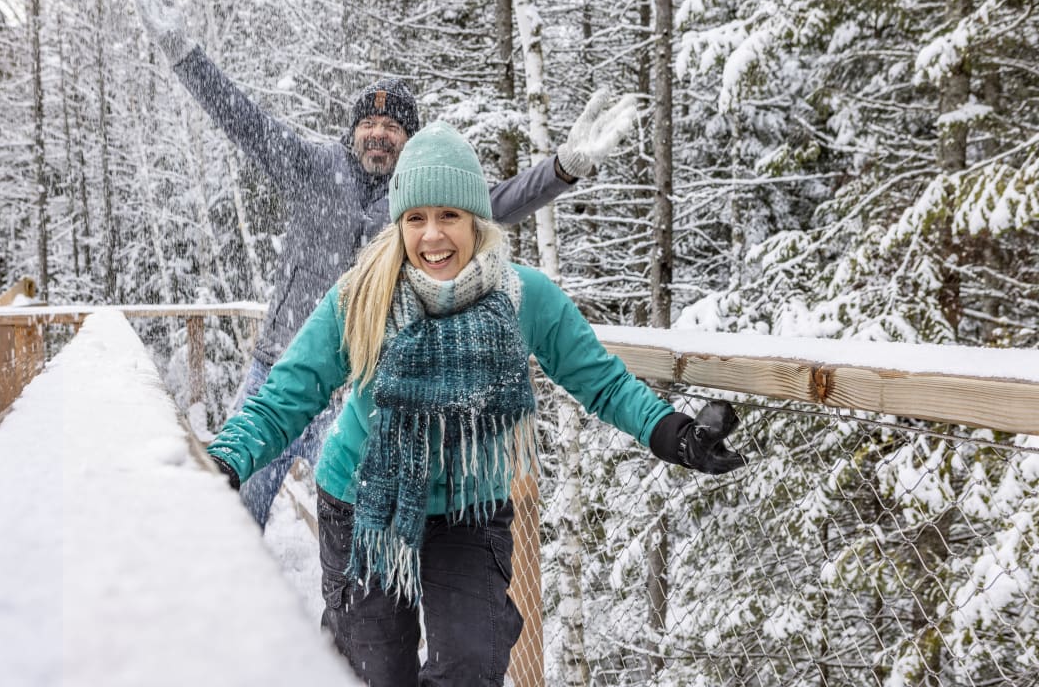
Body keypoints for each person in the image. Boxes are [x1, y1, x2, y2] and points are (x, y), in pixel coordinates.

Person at [206, 120, 746, 686]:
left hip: (469, 504)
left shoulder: (523, 297)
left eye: (448, 216)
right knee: (374, 672)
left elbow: (602, 381)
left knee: (469, 665)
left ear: (475, 220)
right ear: (399, 224)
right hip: (364, 498)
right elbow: (288, 394)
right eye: (416, 218)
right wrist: (226, 458)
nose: (432, 236)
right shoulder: (363, 295)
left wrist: (674, 433)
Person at [131, 0, 639, 529]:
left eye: (392, 126)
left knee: (352, 523)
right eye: (368, 123)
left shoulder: (420, 203)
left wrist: (563, 169)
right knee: (231, 514)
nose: (378, 133)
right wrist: (183, 54)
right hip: (279, 373)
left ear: (408, 139)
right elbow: (244, 120)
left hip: (355, 390)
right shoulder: (310, 169)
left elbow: (501, 201)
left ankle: (340, 590)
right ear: (353, 132)